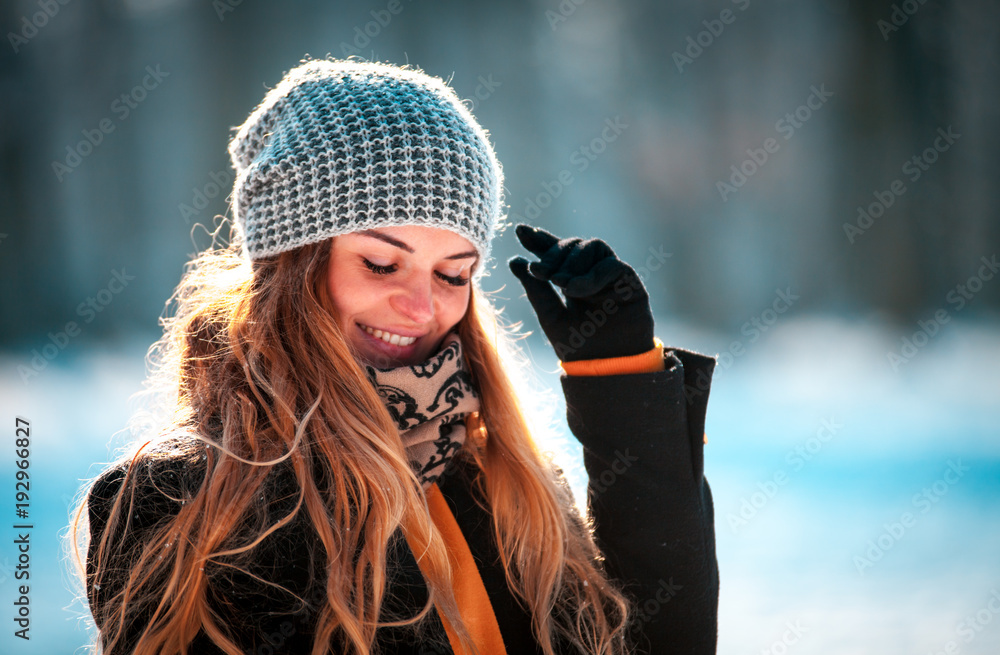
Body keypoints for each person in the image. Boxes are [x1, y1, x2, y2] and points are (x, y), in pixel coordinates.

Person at [73, 58, 718, 655]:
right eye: (382, 263)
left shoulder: (496, 472)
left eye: (453, 274)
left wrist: (621, 377)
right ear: (288, 267)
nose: (420, 307)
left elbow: (660, 638)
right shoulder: (184, 504)